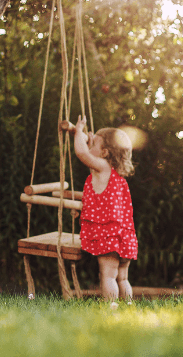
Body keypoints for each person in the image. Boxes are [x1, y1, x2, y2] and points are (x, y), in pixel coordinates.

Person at [68, 115, 138, 301]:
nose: (89, 146)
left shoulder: (102, 168)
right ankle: (128, 308)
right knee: (122, 278)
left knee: (107, 276)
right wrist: (93, 142)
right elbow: (102, 202)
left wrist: (79, 131)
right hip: (124, 235)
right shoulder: (115, 175)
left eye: (94, 145)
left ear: (105, 152)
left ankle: (110, 309)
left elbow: (82, 154)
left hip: (109, 235)